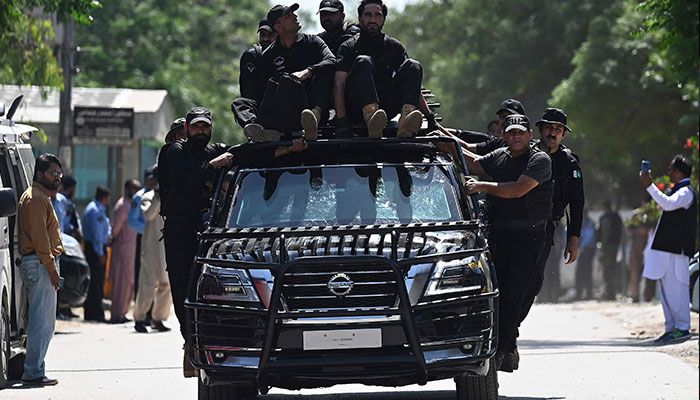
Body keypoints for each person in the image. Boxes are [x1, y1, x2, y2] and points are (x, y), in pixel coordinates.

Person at [462, 114, 553, 372]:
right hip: (500, 234)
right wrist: (443, 139)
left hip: (529, 236)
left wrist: (481, 186)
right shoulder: (500, 156)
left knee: (516, 293)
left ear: (530, 135)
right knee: (496, 292)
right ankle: (500, 344)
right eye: (511, 132)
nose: (516, 136)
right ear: (504, 135)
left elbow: (517, 190)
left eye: (520, 132)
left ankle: (503, 349)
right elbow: (473, 162)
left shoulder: (539, 159)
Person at [160, 107, 234, 377]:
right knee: (183, 289)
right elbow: (186, 181)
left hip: (207, 230)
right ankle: (191, 343)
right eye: (194, 128)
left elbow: (241, 154)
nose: (199, 132)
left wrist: (283, 149)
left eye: (204, 127)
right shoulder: (174, 153)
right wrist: (215, 165)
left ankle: (212, 344)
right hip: (179, 230)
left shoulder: (209, 151)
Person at [231, 3, 336, 142]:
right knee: (239, 103)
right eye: (288, 16)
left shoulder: (312, 42)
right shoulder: (268, 55)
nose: (295, 16)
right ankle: (261, 131)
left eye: (293, 13)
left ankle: (313, 121)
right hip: (283, 111)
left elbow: (332, 60)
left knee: (322, 71)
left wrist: (308, 71)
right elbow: (262, 93)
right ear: (278, 27)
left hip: (309, 106)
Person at [520, 108, 583, 314]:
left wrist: (573, 239)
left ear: (564, 134)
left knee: (534, 280)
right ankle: (507, 327)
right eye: (549, 127)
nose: (552, 133)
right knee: (515, 277)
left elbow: (577, 203)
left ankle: (514, 324)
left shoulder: (569, 162)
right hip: (517, 224)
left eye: (558, 129)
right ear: (540, 129)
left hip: (546, 228)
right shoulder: (524, 154)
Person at [334, 0, 427, 139]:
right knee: (363, 61)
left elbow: (412, 83)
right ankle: (371, 118)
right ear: (360, 18)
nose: (372, 20)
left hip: (385, 110)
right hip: (356, 108)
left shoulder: (394, 47)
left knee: (413, 65)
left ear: (383, 19)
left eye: (377, 15)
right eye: (368, 15)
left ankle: (406, 123)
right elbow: (339, 84)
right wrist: (341, 120)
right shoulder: (348, 47)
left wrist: (430, 117)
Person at [17, 153, 64, 386]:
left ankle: (35, 369)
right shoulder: (36, 198)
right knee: (41, 322)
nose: (57, 178)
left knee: (42, 321)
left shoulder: (41, 196)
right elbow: (40, 238)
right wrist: (52, 268)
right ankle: (33, 372)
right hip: (40, 263)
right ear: (39, 174)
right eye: (53, 173)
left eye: (59, 174)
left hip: (40, 262)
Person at [640, 155, 696, 343]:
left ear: (679, 172)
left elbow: (668, 204)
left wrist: (650, 185)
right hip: (668, 250)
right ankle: (671, 327)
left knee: (677, 289)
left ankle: (682, 327)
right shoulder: (678, 191)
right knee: (666, 290)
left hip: (677, 251)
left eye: (671, 169)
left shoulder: (686, 192)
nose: (669, 172)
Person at [133, 167, 172, 333]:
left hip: (167, 247)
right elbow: (148, 215)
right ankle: (140, 318)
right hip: (151, 247)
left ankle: (158, 318)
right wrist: (157, 197)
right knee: (147, 283)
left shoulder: (172, 196)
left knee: (167, 284)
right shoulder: (147, 197)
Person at [109, 179, 141, 323]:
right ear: (127, 189)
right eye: (134, 188)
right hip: (122, 248)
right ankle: (116, 314)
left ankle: (123, 312)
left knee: (129, 281)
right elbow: (116, 229)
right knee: (121, 281)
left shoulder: (132, 204)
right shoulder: (123, 205)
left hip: (130, 248)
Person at [82, 186, 112, 322]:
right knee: (97, 281)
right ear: (105, 198)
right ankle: (96, 313)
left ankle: (91, 311)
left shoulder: (93, 207)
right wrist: (100, 253)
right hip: (95, 249)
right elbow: (97, 235)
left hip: (92, 248)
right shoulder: (97, 210)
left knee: (94, 281)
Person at [239, 18, 277, 100]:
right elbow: (247, 91)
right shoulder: (252, 56)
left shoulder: (285, 54)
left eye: (270, 35)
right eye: (262, 34)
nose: (265, 39)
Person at [598, 200, 623, 300]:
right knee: (612, 269)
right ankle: (612, 292)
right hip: (615, 246)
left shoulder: (606, 217)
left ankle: (609, 293)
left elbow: (605, 233)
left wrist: (602, 249)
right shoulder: (616, 216)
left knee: (607, 270)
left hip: (608, 247)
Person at [575, 212, 596, 300]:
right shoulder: (584, 223)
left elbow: (588, 237)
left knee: (585, 272)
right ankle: (580, 294)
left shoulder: (589, 224)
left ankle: (587, 294)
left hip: (587, 250)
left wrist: (582, 247)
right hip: (584, 250)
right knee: (581, 273)